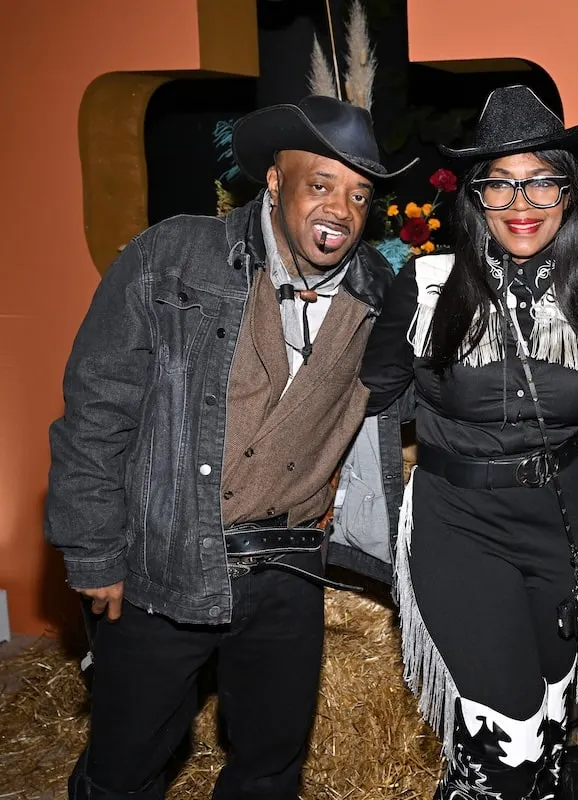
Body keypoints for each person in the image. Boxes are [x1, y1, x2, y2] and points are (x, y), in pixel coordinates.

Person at [45, 95, 408, 798]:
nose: (341, 208)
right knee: (125, 766)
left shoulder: (378, 291)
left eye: (360, 194)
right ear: (275, 179)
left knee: (270, 768)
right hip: (162, 562)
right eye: (322, 184)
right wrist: (92, 551)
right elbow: (97, 406)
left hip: (287, 572)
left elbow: (402, 399)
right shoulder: (174, 255)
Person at [358, 84, 578, 799]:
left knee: (556, 717)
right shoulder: (429, 284)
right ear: (474, 198)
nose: (521, 201)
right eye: (499, 184)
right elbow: (367, 395)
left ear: (570, 191)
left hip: (564, 517)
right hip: (460, 521)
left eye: (541, 180)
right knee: (505, 734)